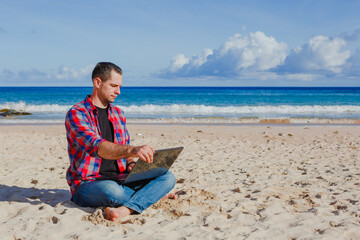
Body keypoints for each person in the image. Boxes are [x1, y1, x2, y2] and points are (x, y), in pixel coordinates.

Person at [65, 62, 176, 221]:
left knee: (168, 177)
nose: (119, 91)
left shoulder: (118, 113)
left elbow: (126, 155)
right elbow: (97, 147)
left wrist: (132, 165)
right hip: (89, 183)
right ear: (98, 82)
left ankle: (127, 208)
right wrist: (133, 150)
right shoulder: (77, 113)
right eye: (114, 86)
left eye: (120, 86)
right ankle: (150, 197)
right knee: (111, 191)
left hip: (122, 179)